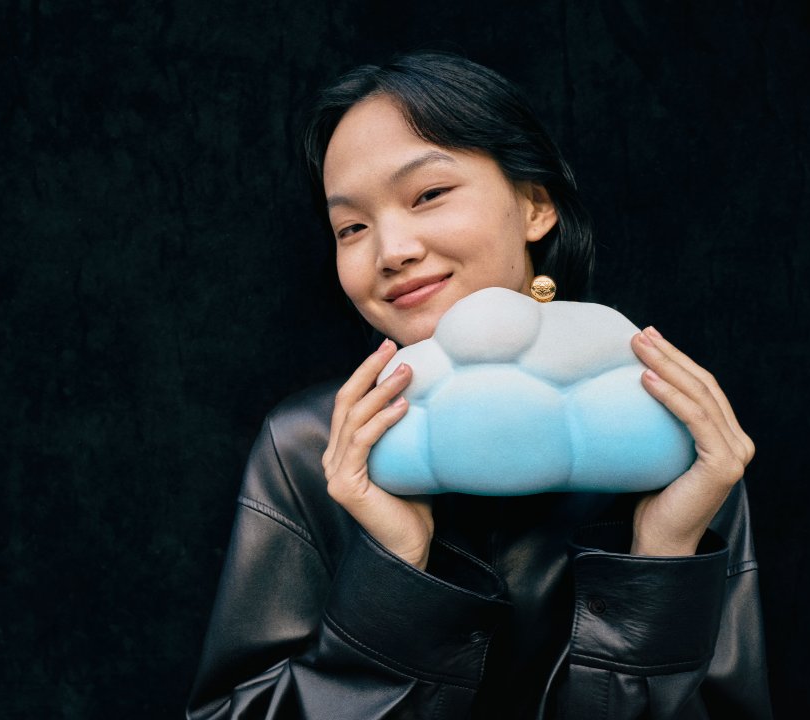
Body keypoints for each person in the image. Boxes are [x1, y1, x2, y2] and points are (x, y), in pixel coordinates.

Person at [187, 51, 771, 719]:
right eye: (352, 227)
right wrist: (395, 574)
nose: (392, 250)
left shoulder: (669, 430)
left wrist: (661, 556)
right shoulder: (307, 446)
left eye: (428, 195)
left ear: (534, 205)